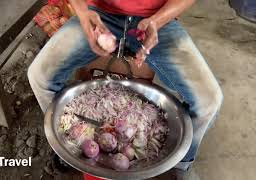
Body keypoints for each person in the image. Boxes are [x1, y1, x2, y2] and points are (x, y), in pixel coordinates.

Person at [28, 0, 223, 179]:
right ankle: (68, 140)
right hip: (100, 15)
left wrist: (158, 20)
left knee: (208, 100)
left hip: (156, 19)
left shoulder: (157, 20)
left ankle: (181, 165)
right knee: (39, 76)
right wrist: (82, 12)